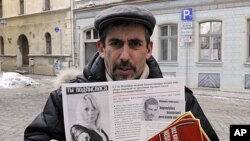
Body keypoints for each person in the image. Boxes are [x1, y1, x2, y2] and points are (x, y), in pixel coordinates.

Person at [24, 5, 219, 141]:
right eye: (116, 43)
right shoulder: (65, 98)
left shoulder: (180, 100)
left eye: (135, 44)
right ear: (101, 48)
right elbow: (35, 136)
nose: (125, 56)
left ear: (149, 49)